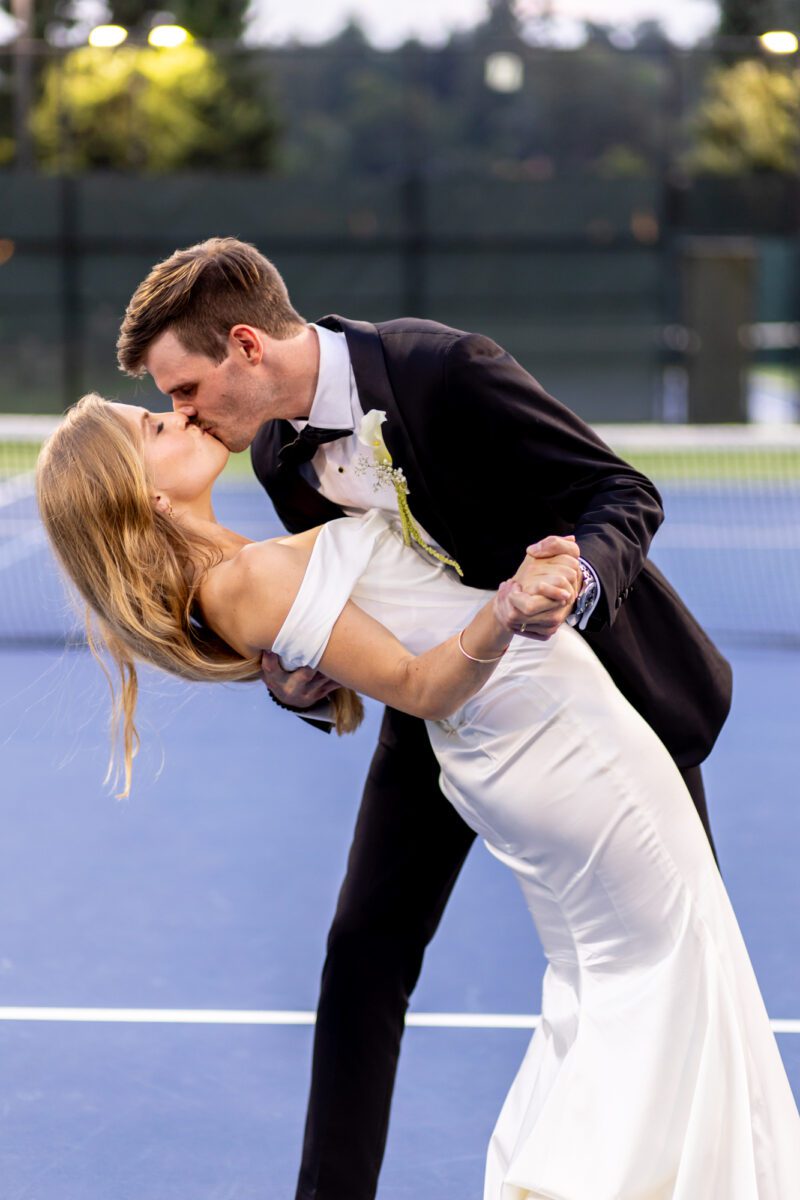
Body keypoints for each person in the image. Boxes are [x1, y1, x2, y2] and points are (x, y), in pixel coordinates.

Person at [36, 392, 800, 1197]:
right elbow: (412, 681)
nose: (180, 414)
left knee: (628, 978)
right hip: (549, 741)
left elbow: (363, 628)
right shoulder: (242, 577)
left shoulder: (249, 544)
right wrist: (505, 611)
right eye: (156, 423)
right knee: (663, 974)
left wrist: (302, 674)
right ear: (145, 495)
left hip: (551, 731)